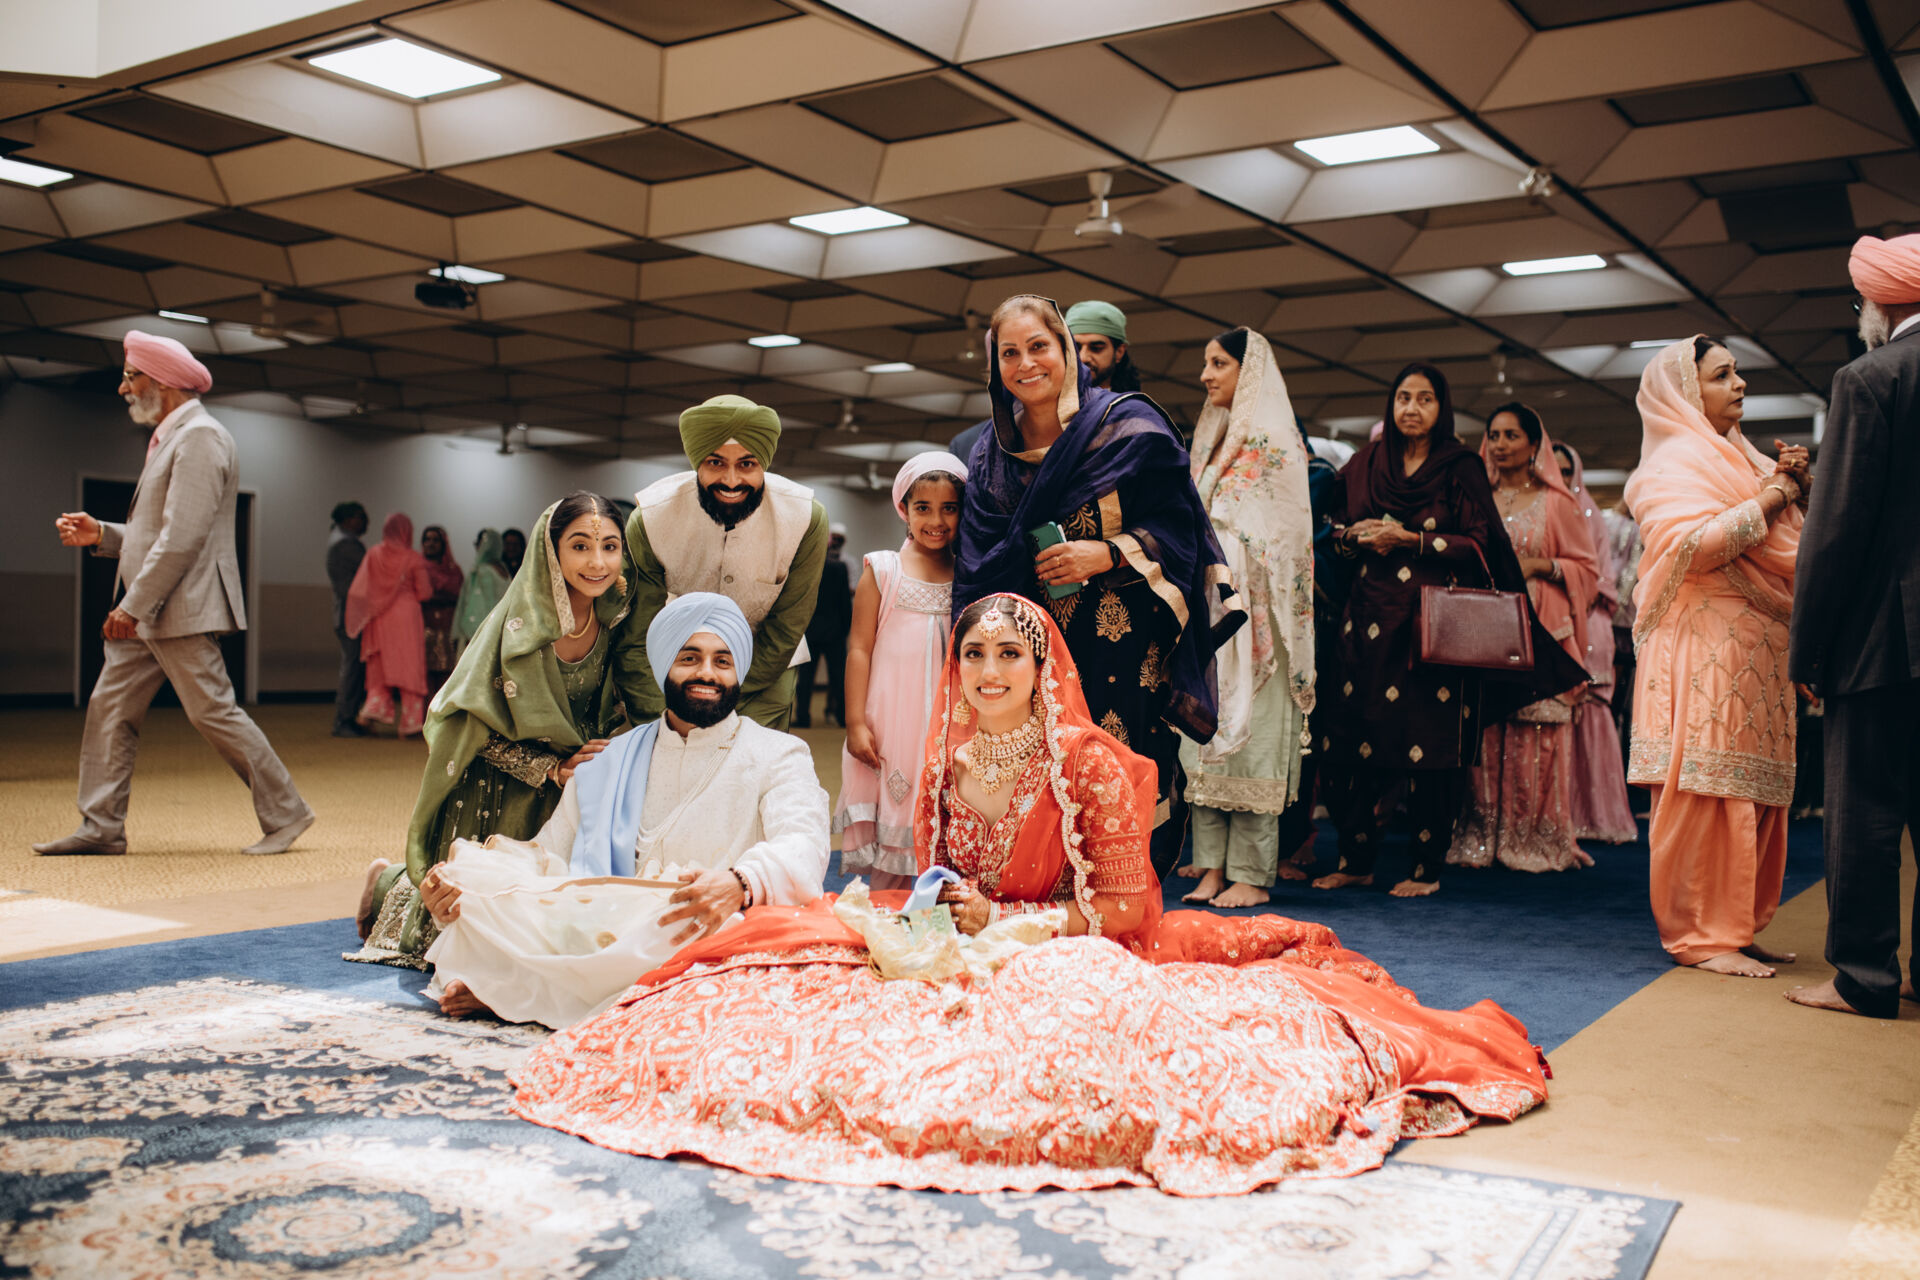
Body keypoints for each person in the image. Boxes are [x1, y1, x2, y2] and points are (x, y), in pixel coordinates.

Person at [508, 593, 1548, 1194]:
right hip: (966, 940)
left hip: (1078, 946)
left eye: (1011, 652)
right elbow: (942, 872)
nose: (990, 668)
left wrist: (1005, 923)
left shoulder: (1087, 761)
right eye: (974, 652)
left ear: (1042, 663)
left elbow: (1129, 913)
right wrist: (941, 907)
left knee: (1063, 1053)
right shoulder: (948, 757)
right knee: (794, 987)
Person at [416, 594, 830, 1027]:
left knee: (705, 943)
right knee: (482, 880)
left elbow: (805, 842)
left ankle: (521, 989)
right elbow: (549, 857)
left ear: (738, 671)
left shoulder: (777, 753)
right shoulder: (611, 759)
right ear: (664, 666)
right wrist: (466, 886)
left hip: (709, 924)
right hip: (602, 924)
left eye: (722, 661)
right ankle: (544, 988)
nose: (707, 673)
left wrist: (739, 882)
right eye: (689, 658)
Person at [953, 294, 1242, 878]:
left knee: (1116, 768)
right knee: (1036, 769)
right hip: (1030, 650)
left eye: (1039, 346)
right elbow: (980, 559)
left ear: (1065, 349)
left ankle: (1123, 899)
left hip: (1123, 644)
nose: (1025, 363)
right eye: (1009, 353)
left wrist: (1107, 552)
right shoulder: (991, 454)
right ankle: (1042, 897)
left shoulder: (1129, 426)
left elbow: (1179, 527)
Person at [37, 330, 312, 857]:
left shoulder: (200, 438)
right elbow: (159, 532)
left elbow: (183, 537)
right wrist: (103, 534)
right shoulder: (173, 438)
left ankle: (287, 813)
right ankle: (101, 826)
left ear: (160, 382)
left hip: (178, 606)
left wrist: (132, 605)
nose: (123, 388)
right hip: (154, 606)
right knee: (110, 709)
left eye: (130, 376)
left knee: (213, 712)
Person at [1313, 366, 1585, 898]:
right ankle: (1355, 860)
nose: (1411, 408)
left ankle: (1424, 869)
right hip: (1366, 623)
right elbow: (1331, 529)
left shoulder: (1459, 466)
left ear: (1443, 408)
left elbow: (1483, 545)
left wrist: (1412, 540)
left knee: (1429, 748)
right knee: (1348, 742)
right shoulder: (1366, 463)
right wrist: (1353, 537)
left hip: (1432, 628)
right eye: (1403, 398)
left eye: (1425, 399)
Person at [350, 493, 631, 968]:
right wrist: (550, 768)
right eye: (580, 546)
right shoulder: (519, 627)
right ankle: (388, 883)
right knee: (471, 938)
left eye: (610, 546)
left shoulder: (615, 618)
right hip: (497, 787)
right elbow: (465, 723)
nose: (597, 562)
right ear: (551, 551)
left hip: (575, 784)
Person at [1626, 337, 1806, 979]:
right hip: (1706, 647)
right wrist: (1778, 493)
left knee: (1753, 791)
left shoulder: (1743, 457)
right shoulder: (1671, 462)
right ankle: (1700, 934)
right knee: (1708, 787)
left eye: (1737, 372)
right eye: (1722, 375)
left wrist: (1792, 488)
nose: (1740, 384)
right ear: (1685, 391)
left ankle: (1735, 925)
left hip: (1759, 651)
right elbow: (1695, 545)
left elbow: (1788, 543)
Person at [1785, 234, 1920, 1018]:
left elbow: (1834, 530)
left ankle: (1864, 978)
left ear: (1884, 301)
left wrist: (1809, 651)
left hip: (1882, 637)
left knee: (1863, 809)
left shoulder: (1870, 377)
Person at [1177, 328, 1316, 909]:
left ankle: (1253, 875)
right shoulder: (1212, 443)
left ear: (1248, 369)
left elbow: (1286, 537)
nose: (1206, 375)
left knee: (1253, 739)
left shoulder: (1275, 442)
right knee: (1206, 730)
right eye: (1205, 363)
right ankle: (1211, 866)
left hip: (1258, 618)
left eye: (1218, 363)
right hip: (1211, 614)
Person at [615, 395, 828, 731]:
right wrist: (656, 721)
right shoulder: (651, 519)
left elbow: (787, 626)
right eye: (716, 463)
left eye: (747, 464)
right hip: (676, 674)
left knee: (752, 762)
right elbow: (638, 632)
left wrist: (724, 695)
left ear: (763, 466)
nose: (731, 480)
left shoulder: (805, 518)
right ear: (697, 463)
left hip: (765, 676)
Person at [1448, 405, 1598, 873]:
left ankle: (1534, 838)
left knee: (1538, 735)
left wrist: (1541, 566)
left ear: (1535, 445)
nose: (1500, 444)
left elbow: (1587, 570)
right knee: (1487, 733)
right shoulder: (1477, 500)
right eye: (1494, 435)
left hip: (1543, 631)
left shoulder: (1557, 503)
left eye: (1511, 435)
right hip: (1486, 631)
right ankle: (1482, 836)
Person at [835, 452, 968, 890]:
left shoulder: (969, 573)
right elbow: (859, 648)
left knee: (950, 826)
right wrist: (855, 722)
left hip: (950, 722)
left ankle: (943, 914)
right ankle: (885, 916)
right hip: (894, 723)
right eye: (923, 508)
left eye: (949, 508)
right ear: (903, 509)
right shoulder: (883, 570)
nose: (936, 520)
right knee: (895, 839)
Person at [1553, 443, 1639, 844]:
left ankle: (1593, 815)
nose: (1560, 478)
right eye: (1553, 469)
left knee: (1592, 717)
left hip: (1590, 624)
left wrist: (1572, 598)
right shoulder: (1544, 512)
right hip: (1554, 624)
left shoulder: (1593, 517)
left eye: (1566, 471)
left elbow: (1607, 580)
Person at [346, 513, 433, 738]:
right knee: (409, 667)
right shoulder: (413, 558)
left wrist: (378, 602)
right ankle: (411, 725)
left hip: (380, 618)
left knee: (381, 669)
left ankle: (367, 715)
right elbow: (425, 592)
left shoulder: (374, 554)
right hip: (407, 619)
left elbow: (359, 590)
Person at [794, 523, 852, 728]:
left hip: (809, 630)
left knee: (805, 679)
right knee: (839, 678)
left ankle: (803, 717)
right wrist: (845, 628)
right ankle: (842, 717)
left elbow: (799, 600)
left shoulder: (805, 568)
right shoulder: (840, 567)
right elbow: (845, 601)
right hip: (835, 631)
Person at [327, 502, 369, 738]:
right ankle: (343, 720)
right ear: (347, 519)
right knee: (352, 669)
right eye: (360, 517)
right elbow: (366, 580)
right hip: (351, 617)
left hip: (347, 615)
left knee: (353, 667)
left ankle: (348, 718)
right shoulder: (346, 545)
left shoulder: (339, 540)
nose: (365, 522)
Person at [419, 524, 464, 693]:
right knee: (424, 676)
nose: (430, 544)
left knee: (447, 675)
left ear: (444, 544)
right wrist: (443, 598)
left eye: (435, 540)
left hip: (447, 630)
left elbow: (460, 597)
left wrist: (435, 597)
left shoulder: (454, 570)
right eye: (427, 540)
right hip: (422, 629)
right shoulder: (417, 568)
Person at [452, 528, 510, 655]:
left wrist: (470, 636)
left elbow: (476, 608)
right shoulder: (504, 570)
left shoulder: (482, 572)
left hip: (480, 636)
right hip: (500, 632)